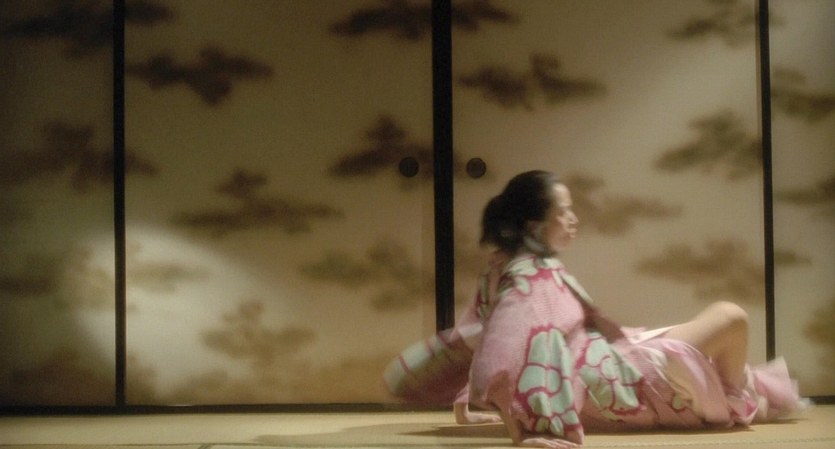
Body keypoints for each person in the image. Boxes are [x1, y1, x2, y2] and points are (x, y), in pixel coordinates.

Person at [384, 170, 806, 448]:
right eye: (563, 211)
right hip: (616, 379)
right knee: (731, 317)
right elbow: (501, 347)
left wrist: (470, 402)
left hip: (601, 362)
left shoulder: (505, 266)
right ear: (534, 225)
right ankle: (736, 401)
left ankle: (735, 394)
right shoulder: (530, 276)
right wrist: (524, 426)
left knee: (719, 336)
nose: (573, 219)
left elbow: (479, 331)